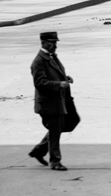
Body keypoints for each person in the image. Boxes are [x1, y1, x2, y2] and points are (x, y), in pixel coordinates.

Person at [28, 31, 77, 171]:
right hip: (49, 102)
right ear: (43, 43)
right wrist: (59, 84)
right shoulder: (38, 61)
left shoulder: (52, 56)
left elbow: (54, 74)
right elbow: (39, 83)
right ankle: (55, 162)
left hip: (59, 100)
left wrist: (64, 78)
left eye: (55, 42)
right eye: (51, 43)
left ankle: (39, 150)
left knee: (71, 121)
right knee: (55, 130)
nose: (54, 45)